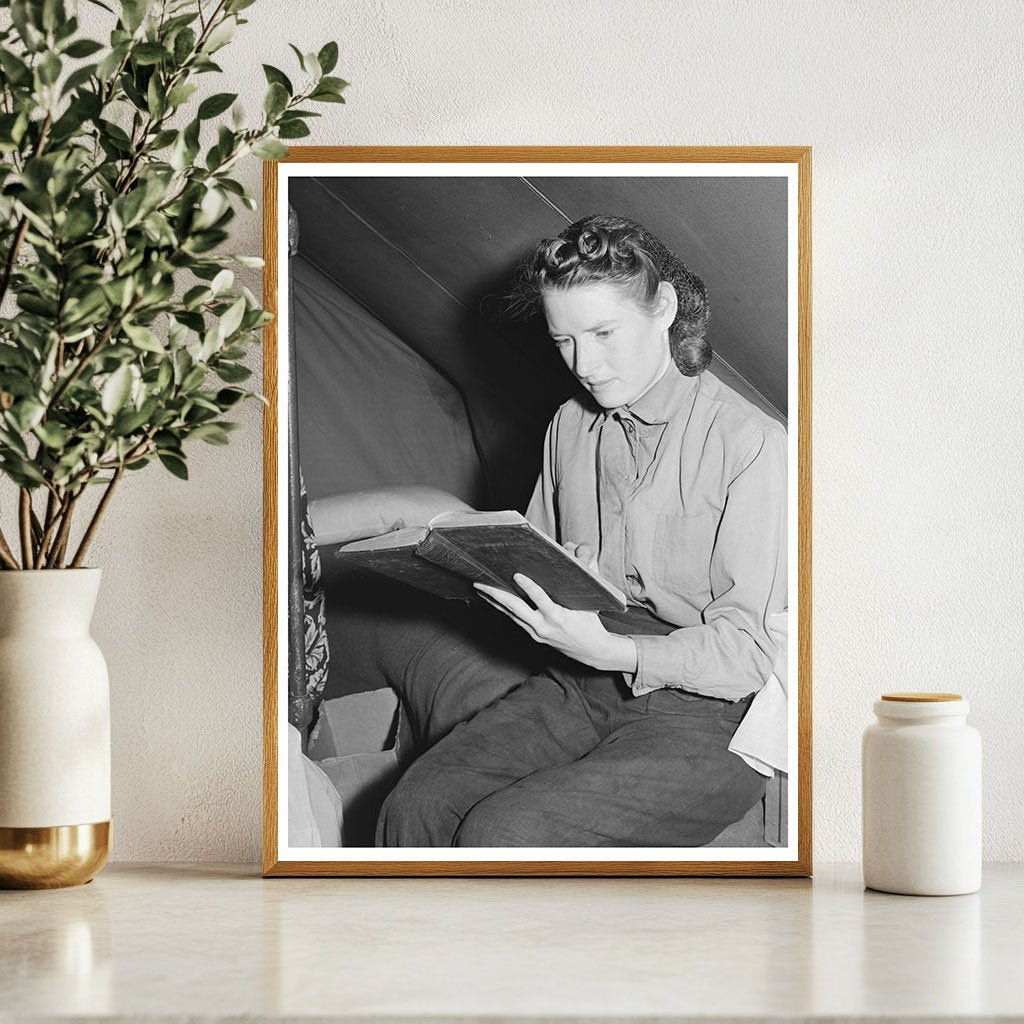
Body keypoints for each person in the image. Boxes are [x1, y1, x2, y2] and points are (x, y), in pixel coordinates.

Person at [374, 213, 787, 847]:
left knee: (505, 832)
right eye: (563, 340)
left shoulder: (751, 443)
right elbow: (537, 560)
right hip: (581, 684)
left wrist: (616, 652)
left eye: (603, 332)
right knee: (418, 803)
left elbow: (751, 655)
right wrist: (475, 573)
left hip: (711, 718)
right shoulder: (569, 423)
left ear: (664, 308)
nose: (583, 364)